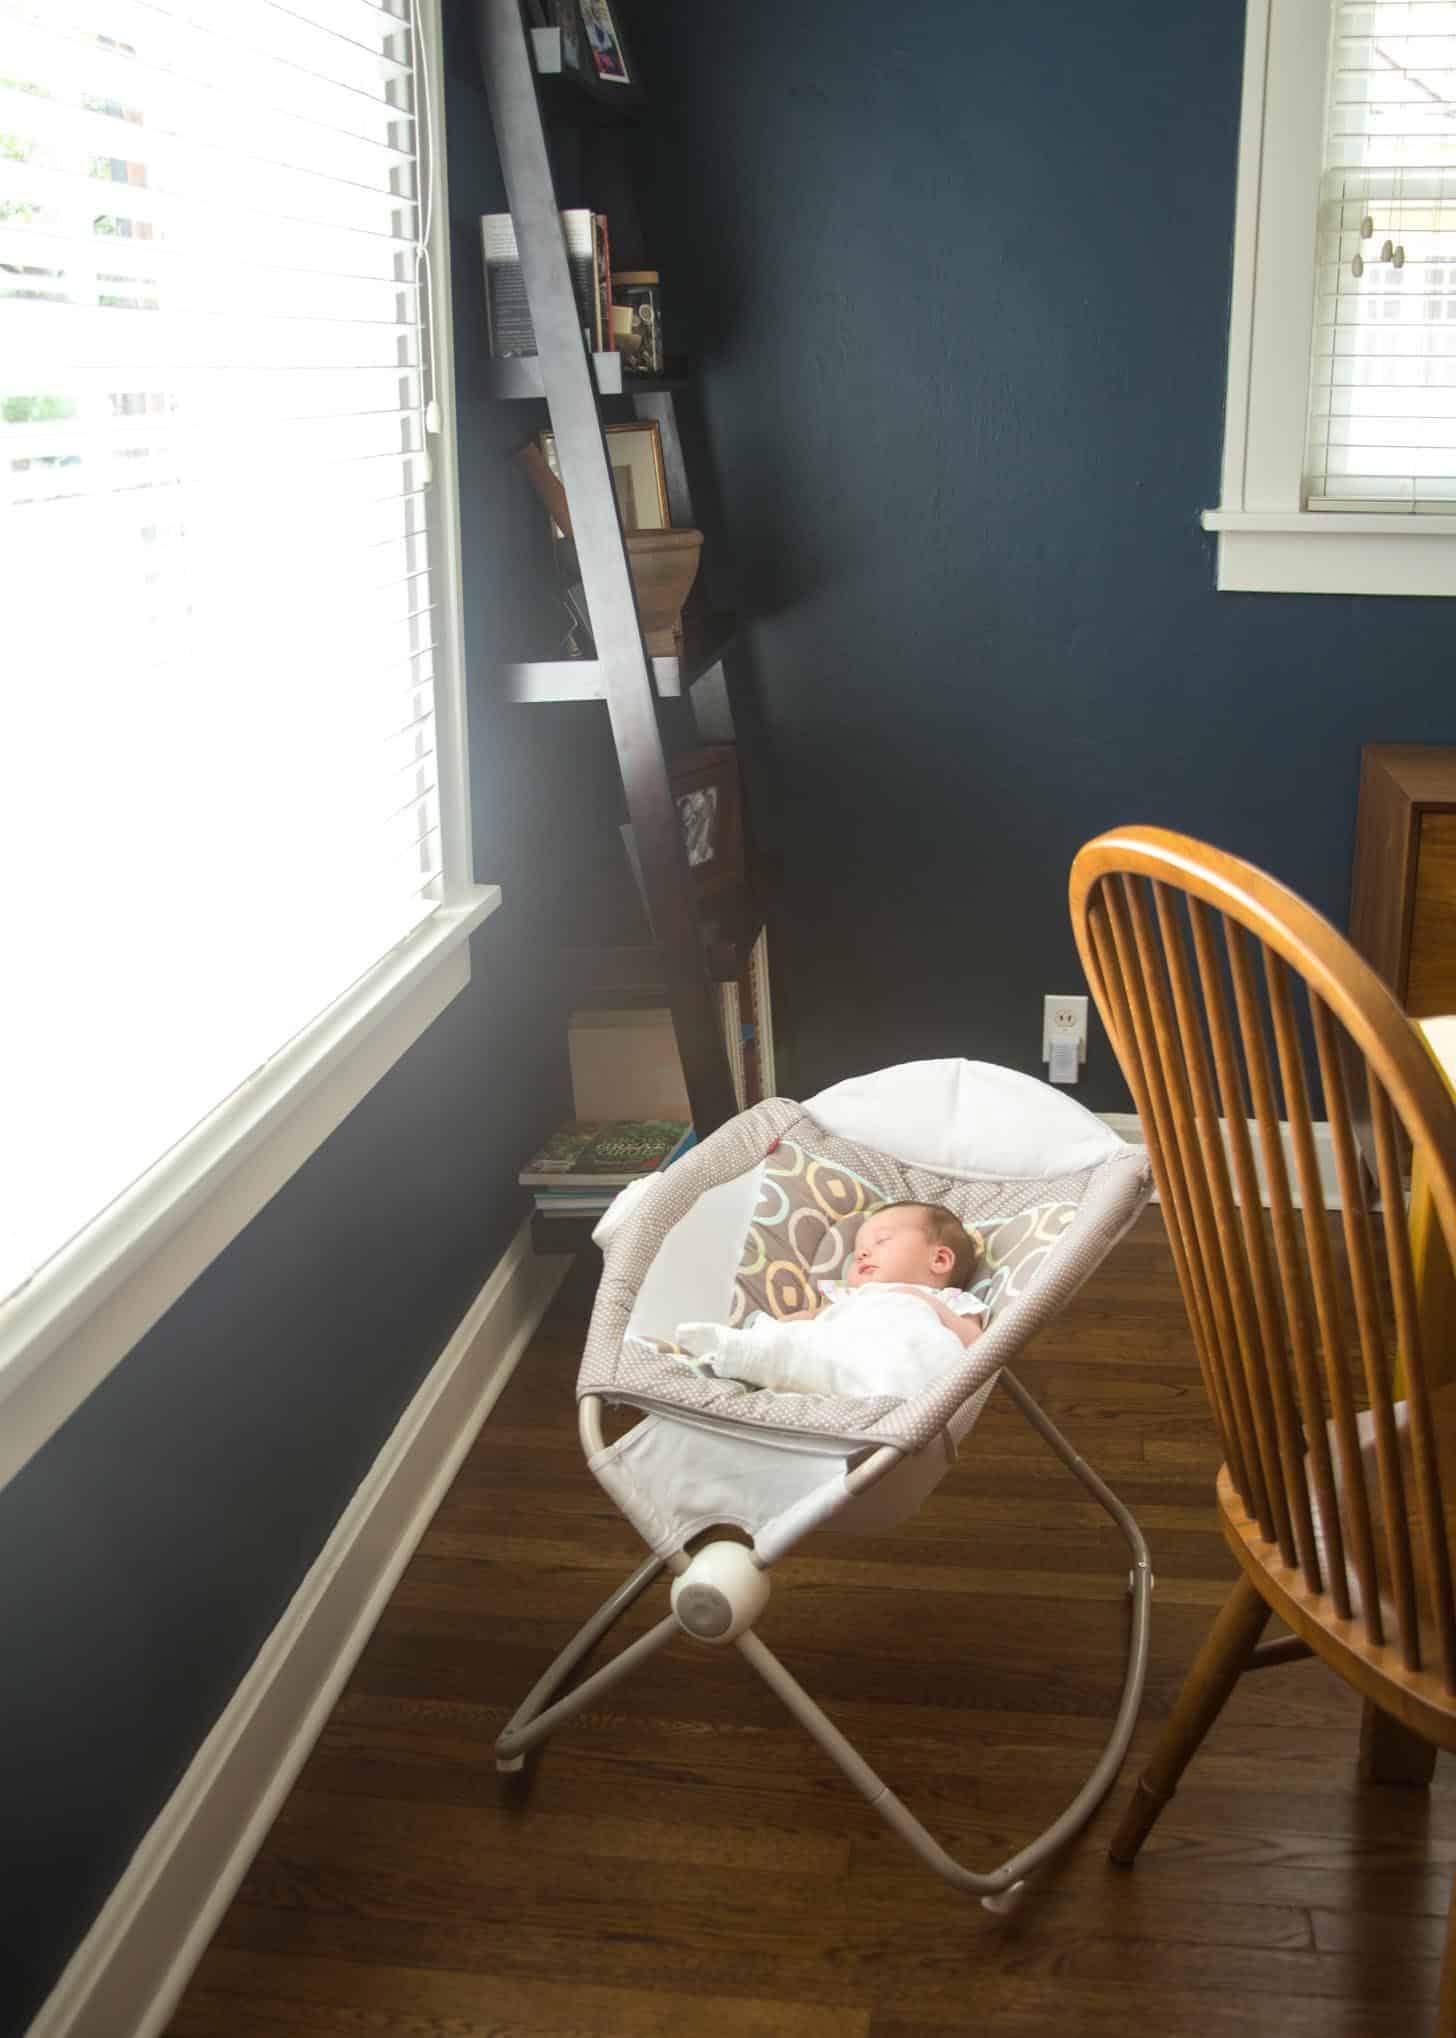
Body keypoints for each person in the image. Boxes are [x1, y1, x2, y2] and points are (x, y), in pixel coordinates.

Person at [674, 1202, 986, 1400]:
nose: (862, 1253)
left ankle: (746, 1355)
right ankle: (742, 1349)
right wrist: (772, 1326)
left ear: (940, 1259)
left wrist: (923, 1301)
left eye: (881, 1241)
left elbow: (978, 1344)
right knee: (808, 1343)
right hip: (840, 1355)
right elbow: (813, 1319)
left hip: (903, 1371)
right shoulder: (850, 1298)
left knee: (804, 1361)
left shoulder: (951, 1300)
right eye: (858, 1249)